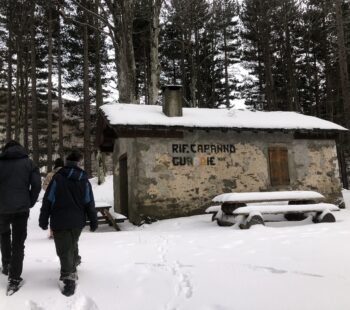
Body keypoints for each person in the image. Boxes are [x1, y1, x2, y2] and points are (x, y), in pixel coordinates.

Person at [39, 150, 98, 296]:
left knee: (63, 250)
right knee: (71, 242)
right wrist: (93, 220)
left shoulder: (57, 178)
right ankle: (75, 260)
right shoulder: (84, 179)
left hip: (59, 220)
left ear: (66, 163)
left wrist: (43, 218)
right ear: (78, 163)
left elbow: (48, 200)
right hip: (77, 221)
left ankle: (68, 277)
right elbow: (89, 202)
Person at [0, 140, 41, 295]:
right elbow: (36, 184)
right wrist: (30, 201)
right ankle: (14, 278)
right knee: (18, 243)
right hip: (21, 210)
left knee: (4, 236)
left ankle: (6, 265)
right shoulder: (28, 163)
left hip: (2, 209)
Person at [42, 158, 64, 239]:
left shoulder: (50, 174)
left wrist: (51, 190)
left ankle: (52, 233)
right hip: (65, 199)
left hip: (53, 199)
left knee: (53, 215)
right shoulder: (66, 173)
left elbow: (44, 186)